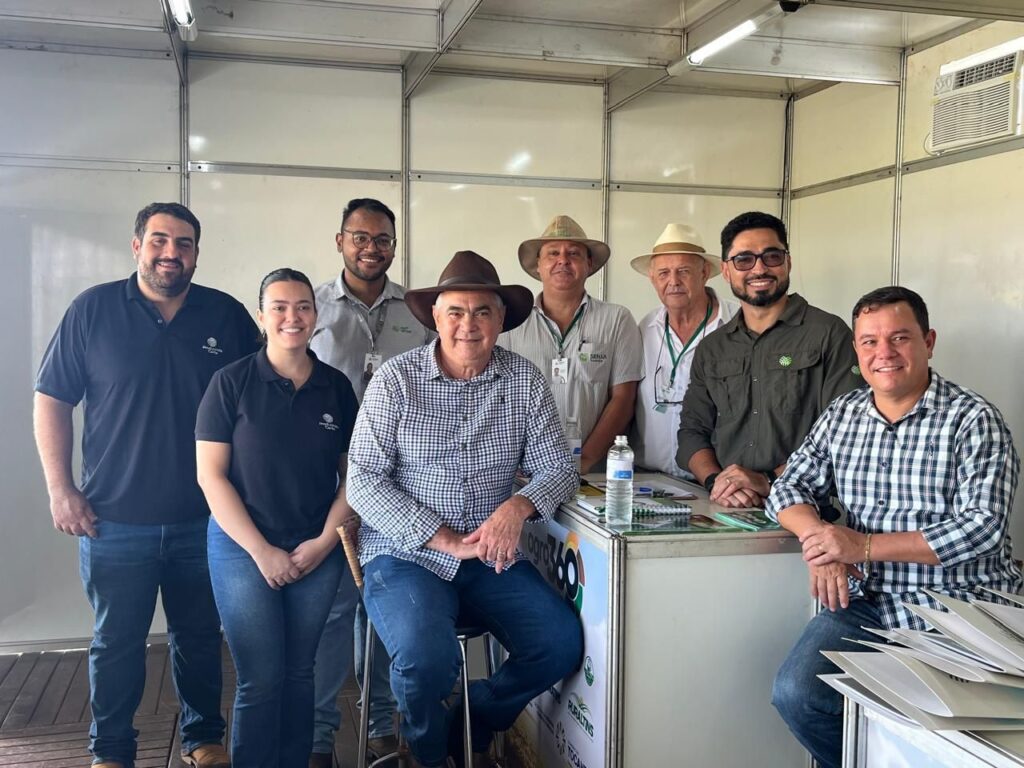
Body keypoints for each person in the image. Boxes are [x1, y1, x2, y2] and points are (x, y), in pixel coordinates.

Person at [33, 202, 259, 768]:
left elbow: (258, 407)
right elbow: (52, 400)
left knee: (200, 637)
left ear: (197, 253)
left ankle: (203, 740)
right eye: (159, 240)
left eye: (183, 243)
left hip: (206, 518)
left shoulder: (226, 315)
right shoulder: (92, 310)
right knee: (116, 643)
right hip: (112, 519)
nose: (170, 253)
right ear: (137, 245)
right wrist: (60, 489)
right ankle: (111, 751)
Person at [765, 285, 1022, 768]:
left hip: (960, 609)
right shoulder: (844, 414)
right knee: (799, 694)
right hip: (868, 602)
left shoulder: (974, 420)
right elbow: (788, 488)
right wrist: (821, 542)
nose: (883, 352)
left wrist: (860, 547)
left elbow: (982, 528)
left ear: (929, 342)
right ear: (856, 349)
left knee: (925, 732)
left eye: (899, 338)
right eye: (869, 341)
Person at [347, 251, 583, 768]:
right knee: (425, 662)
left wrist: (517, 506)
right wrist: (445, 539)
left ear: (501, 320)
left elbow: (559, 468)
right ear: (435, 317)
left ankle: (471, 717)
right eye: (455, 311)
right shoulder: (395, 380)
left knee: (559, 643)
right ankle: (429, 756)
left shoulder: (524, 381)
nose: (468, 325)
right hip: (404, 556)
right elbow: (362, 481)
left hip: (488, 557)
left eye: (482, 312)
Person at [195, 268, 359, 767]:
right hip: (241, 548)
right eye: (280, 307)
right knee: (260, 677)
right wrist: (261, 551)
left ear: (316, 314)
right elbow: (211, 477)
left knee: (301, 671)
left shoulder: (336, 387)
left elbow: (354, 479)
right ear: (262, 316)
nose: (293, 317)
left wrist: (323, 543)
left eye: (303, 306)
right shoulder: (230, 382)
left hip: (316, 547)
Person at [308, 198, 431, 766]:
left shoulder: (418, 309)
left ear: (394, 246)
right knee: (333, 611)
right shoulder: (312, 305)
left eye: (382, 239)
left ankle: (381, 722)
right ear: (340, 241)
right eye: (360, 237)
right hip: (327, 478)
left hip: (398, 481)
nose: (371, 248)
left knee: (381, 606)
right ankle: (319, 735)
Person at [677, 211, 862, 508]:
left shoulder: (828, 334)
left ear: (788, 262)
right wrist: (718, 482)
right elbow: (691, 431)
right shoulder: (713, 348)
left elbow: (846, 432)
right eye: (744, 260)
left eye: (772, 256)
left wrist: (768, 479)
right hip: (726, 509)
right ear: (726, 271)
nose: (759, 268)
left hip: (805, 510)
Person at [499, 215, 641, 473]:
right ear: (538, 265)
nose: (563, 260)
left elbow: (623, 398)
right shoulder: (511, 322)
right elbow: (498, 396)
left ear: (589, 264)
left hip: (593, 473)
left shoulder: (617, 319)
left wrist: (584, 460)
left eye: (574, 253)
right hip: (524, 471)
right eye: (553, 253)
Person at [631, 223, 737, 479]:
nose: (673, 281)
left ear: (704, 273)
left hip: (716, 481)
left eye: (683, 271)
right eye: (663, 273)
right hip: (647, 479)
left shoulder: (737, 323)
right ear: (652, 278)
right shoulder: (645, 328)